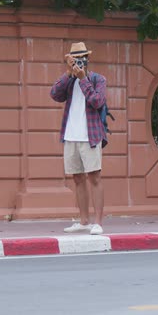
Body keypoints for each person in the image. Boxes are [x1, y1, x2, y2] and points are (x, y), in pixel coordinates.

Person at [50, 42, 107, 235]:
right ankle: (83, 221)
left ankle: (97, 222)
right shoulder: (69, 80)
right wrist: (68, 73)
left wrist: (83, 80)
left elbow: (97, 101)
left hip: (90, 135)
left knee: (95, 177)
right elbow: (54, 94)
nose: (79, 63)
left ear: (88, 60)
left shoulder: (98, 79)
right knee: (77, 178)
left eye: (82, 59)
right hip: (71, 135)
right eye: (76, 59)